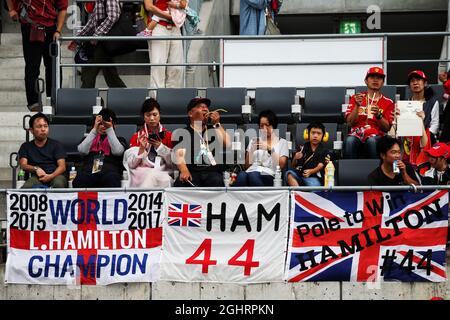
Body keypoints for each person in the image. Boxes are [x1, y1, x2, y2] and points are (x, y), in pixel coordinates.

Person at [6, 0, 67, 111]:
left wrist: (58, 30)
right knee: (32, 68)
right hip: (30, 26)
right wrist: (11, 9)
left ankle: (53, 102)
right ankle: (34, 104)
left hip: (51, 29)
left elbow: (63, 8)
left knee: (53, 67)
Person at [68, 0, 126, 88]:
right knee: (111, 76)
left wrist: (96, 36)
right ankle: (125, 98)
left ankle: (87, 99)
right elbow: (92, 22)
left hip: (104, 41)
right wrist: (78, 39)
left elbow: (113, 17)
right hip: (104, 42)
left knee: (88, 72)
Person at [173, 97, 231, 187]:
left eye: (206, 107)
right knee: (181, 183)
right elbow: (179, 155)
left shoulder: (214, 129)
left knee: (216, 180)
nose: (205, 109)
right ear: (190, 113)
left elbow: (227, 143)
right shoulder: (183, 133)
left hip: (212, 173)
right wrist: (184, 170)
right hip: (192, 173)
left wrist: (217, 124)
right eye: (200, 107)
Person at [344, 67, 395, 159]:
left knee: (372, 141)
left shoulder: (388, 102)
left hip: (376, 135)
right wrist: (357, 106)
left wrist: (378, 115)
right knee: (349, 141)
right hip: (357, 133)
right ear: (366, 81)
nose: (375, 80)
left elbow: (387, 128)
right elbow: (350, 123)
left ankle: (375, 172)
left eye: (379, 78)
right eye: (372, 77)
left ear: (383, 82)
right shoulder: (356, 98)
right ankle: (350, 172)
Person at [123, 98, 174, 187]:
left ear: (159, 115)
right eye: (148, 115)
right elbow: (131, 165)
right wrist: (141, 149)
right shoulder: (137, 136)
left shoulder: (169, 136)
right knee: (149, 177)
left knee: (164, 179)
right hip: (141, 173)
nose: (151, 118)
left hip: (162, 172)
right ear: (143, 116)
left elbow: (173, 164)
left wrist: (160, 147)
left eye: (155, 114)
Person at [73, 109, 127, 188]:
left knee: (112, 178)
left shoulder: (120, 139)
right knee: (81, 178)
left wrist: (109, 129)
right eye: (100, 123)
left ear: (114, 125)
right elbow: (82, 151)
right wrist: (94, 130)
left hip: (109, 171)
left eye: (106, 123)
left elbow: (118, 152)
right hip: (89, 171)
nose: (103, 126)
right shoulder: (89, 138)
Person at [233, 110, 288, 186]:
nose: (264, 129)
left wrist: (269, 148)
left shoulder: (282, 142)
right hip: (251, 171)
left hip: (269, 174)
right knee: (241, 175)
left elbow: (281, 165)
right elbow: (246, 167)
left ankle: (261, 198)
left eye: (267, 125)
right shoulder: (254, 140)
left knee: (253, 176)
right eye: (261, 125)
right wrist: (251, 151)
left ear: (273, 125)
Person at [18, 113, 67, 188]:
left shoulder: (56, 145)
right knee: (26, 187)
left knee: (58, 184)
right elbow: (23, 165)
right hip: (37, 177)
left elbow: (62, 167)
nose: (43, 129)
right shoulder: (26, 146)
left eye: (45, 126)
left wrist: (50, 176)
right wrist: (36, 168)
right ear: (31, 130)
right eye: (39, 126)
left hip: (56, 175)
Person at [144, 0, 185, 88]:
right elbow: (148, 6)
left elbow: (184, 5)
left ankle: (172, 99)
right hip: (158, 26)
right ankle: (156, 100)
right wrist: (169, 16)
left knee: (177, 67)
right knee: (158, 67)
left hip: (175, 27)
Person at [285, 122, 328, 187]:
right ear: (307, 134)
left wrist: (311, 171)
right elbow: (293, 165)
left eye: (319, 133)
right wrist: (295, 158)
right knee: (289, 174)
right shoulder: (302, 147)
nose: (315, 136)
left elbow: (320, 166)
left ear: (323, 136)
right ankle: (298, 193)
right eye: (313, 133)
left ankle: (300, 191)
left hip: (314, 177)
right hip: (300, 175)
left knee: (315, 185)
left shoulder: (324, 150)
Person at [407, 70, 439, 144]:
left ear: (425, 83)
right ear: (410, 85)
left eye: (418, 80)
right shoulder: (406, 103)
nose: (415, 83)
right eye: (412, 81)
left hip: (427, 138)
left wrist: (423, 137)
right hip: (410, 139)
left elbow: (435, 125)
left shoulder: (433, 102)